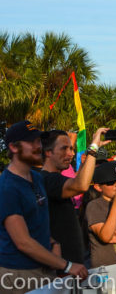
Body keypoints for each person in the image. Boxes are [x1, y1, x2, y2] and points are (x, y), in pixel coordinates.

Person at [0, 121, 88, 294]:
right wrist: (67, 265)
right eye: (31, 142)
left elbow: (37, 222)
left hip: (45, 270)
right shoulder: (7, 187)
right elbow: (23, 242)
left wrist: (52, 241)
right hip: (18, 274)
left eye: (39, 141)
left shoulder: (37, 178)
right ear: (14, 147)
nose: (38, 146)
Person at [39, 126, 109, 266]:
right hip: (62, 269)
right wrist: (94, 148)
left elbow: (77, 182)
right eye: (64, 149)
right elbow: (81, 185)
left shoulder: (55, 179)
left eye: (71, 149)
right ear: (48, 152)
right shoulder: (47, 179)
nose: (70, 154)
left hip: (71, 266)